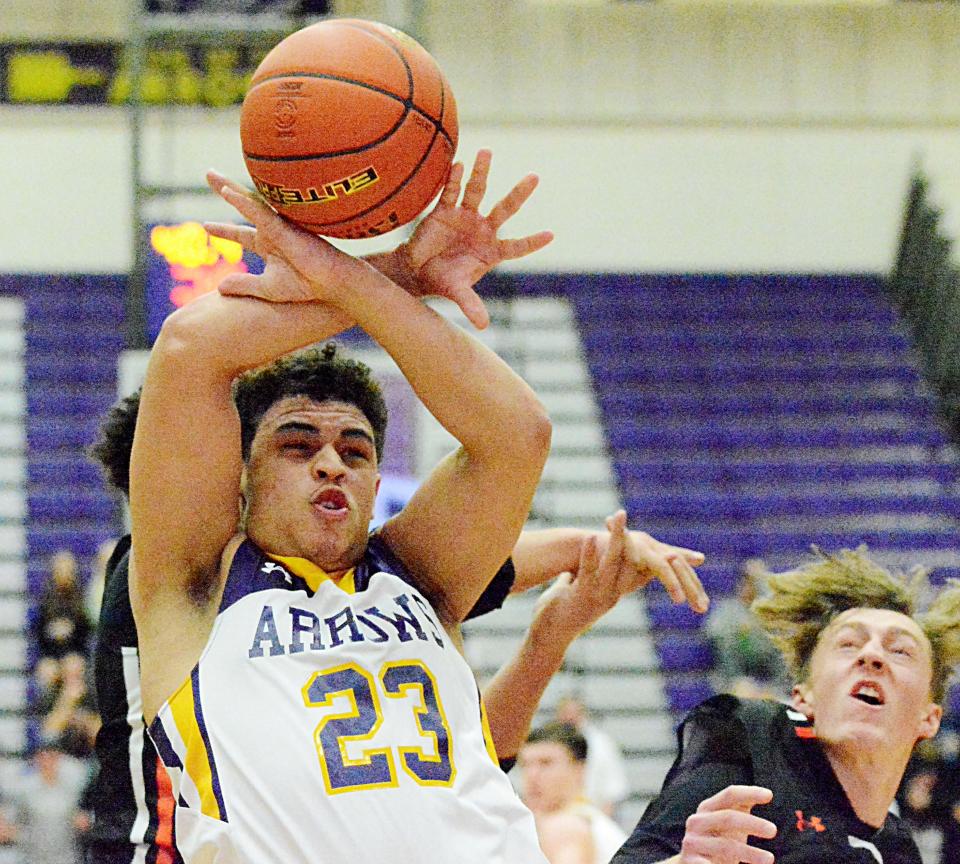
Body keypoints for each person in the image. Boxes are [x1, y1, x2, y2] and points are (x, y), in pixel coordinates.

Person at [85, 165, 708, 864]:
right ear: (239, 479)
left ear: (379, 476)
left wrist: (370, 284)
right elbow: (190, 349)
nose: (331, 463)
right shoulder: (195, 581)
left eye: (354, 450)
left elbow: (519, 436)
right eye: (297, 445)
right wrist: (392, 272)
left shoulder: (416, 573)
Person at [612, 546, 960, 864]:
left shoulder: (897, 852)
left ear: (928, 718)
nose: (871, 655)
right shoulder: (752, 746)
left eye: (900, 651)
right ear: (802, 696)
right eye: (849, 643)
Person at [519, 721, 627, 864]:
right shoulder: (589, 822)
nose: (532, 775)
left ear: (579, 769)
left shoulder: (567, 826)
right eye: (525, 765)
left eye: (545, 763)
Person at [704, 557, 787, 699]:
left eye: (759, 582)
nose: (753, 587)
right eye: (749, 581)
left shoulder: (773, 616)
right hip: (730, 682)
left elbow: (779, 656)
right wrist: (738, 683)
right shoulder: (727, 611)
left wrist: (773, 689)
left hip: (771, 685)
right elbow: (719, 645)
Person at [552, 693, 630, 817]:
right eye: (565, 712)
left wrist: (600, 825)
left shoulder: (602, 744)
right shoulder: (549, 745)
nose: (569, 717)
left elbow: (613, 789)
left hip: (595, 814)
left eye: (574, 712)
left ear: (583, 714)